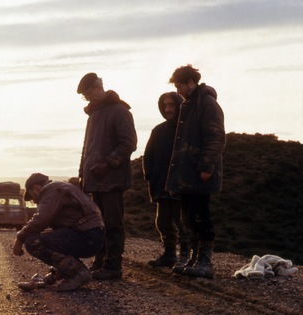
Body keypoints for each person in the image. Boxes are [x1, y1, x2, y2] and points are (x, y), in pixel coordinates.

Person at [76, 73, 137, 280]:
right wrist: (82, 176)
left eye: (90, 92)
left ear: (99, 86)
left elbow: (129, 143)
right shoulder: (94, 114)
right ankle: (101, 261)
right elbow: (87, 149)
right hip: (94, 181)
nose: (89, 97)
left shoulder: (120, 111)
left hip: (112, 181)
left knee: (112, 223)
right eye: (85, 95)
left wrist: (108, 163)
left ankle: (113, 267)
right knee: (98, 224)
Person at [166, 65, 225, 278]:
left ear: (191, 82)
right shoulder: (189, 105)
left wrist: (207, 166)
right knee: (190, 218)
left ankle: (205, 262)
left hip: (200, 174)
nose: (179, 90)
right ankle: (194, 259)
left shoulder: (207, 104)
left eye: (180, 85)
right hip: (188, 174)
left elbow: (216, 137)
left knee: (201, 217)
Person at [13, 173, 105, 291]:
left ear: (35, 188)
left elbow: (41, 220)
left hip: (88, 236)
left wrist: (20, 238)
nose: (35, 202)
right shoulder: (59, 188)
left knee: (33, 242)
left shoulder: (51, 190)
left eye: (31, 197)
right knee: (49, 238)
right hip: (90, 235)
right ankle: (62, 273)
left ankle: (78, 273)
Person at [143, 92, 191, 268]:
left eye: (171, 105)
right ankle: (169, 254)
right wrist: (150, 175)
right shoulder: (158, 130)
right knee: (163, 222)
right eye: (165, 106)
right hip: (161, 184)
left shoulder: (187, 129)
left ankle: (185, 256)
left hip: (181, 186)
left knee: (183, 222)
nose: (168, 109)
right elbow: (148, 155)